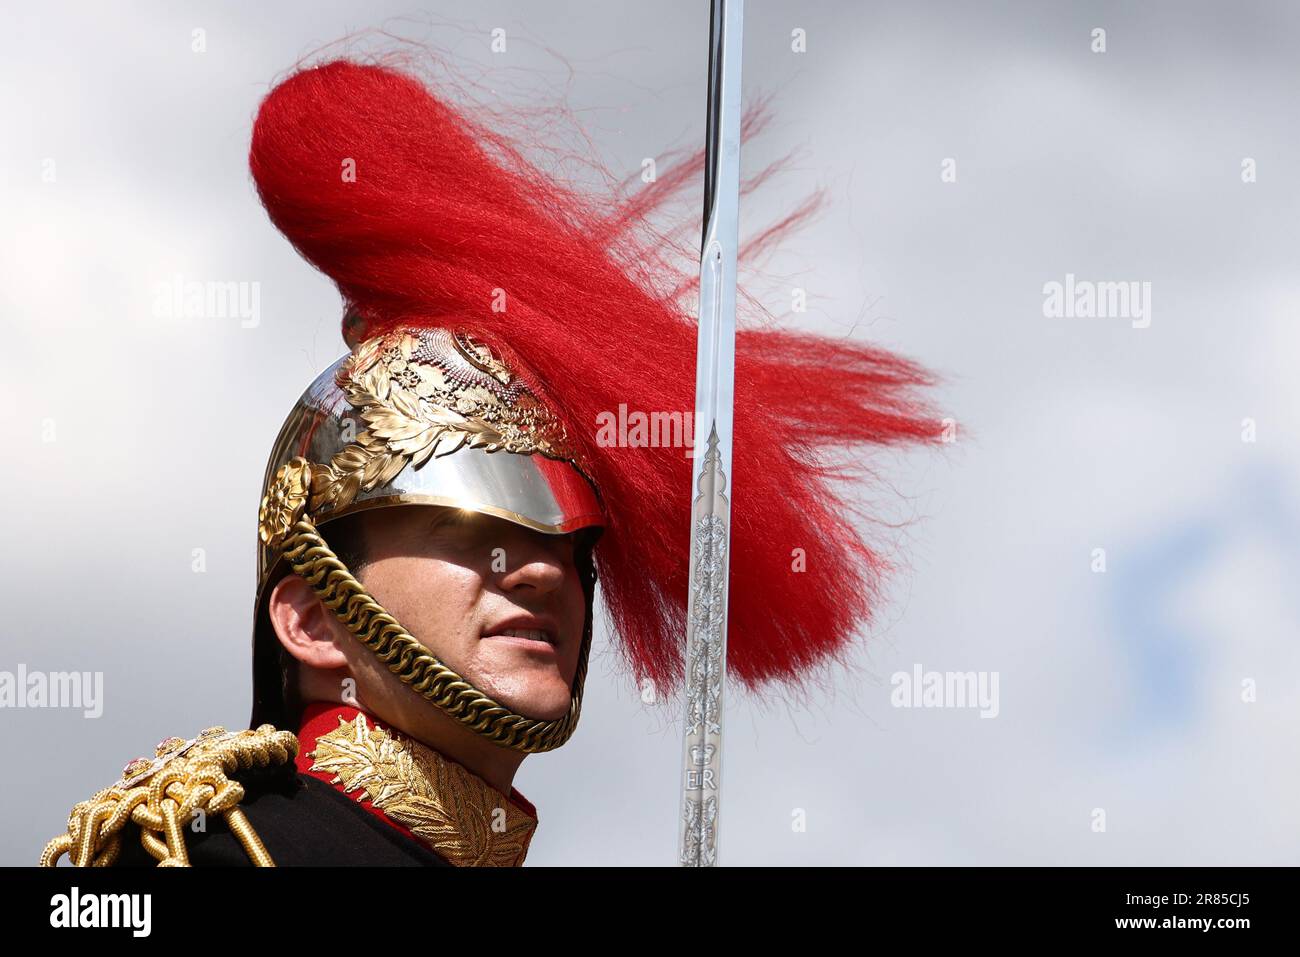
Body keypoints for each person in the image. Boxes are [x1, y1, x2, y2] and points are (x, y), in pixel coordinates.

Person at [41, 56, 942, 867]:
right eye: (475, 528)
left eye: (575, 545)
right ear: (313, 618)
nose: (546, 569)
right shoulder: (201, 858)